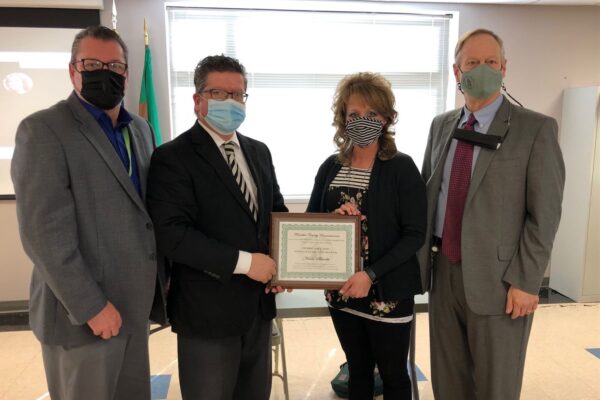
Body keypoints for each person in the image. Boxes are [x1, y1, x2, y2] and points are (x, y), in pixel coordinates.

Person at [11, 25, 167, 400]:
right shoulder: (43, 130)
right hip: (81, 316)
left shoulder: (141, 130)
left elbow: (142, 215)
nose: (106, 73)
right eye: (93, 63)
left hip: (133, 310)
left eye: (115, 66)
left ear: (127, 74)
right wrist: (92, 306)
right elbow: (43, 234)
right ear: (72, 71)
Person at [418, 28, 565, 400]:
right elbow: (428, 196)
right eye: (472, 62)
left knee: (495, 388)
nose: (482, 69)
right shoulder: (441, 127)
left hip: (502, 284)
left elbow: (544, 214)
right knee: (448, 383)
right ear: (456, 72)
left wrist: (527, 281)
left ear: (504, 68)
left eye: (491, 62)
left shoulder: (535, 129)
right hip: (444, 274)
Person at [146, 54, 288, 400]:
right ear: (198, 101)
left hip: (257, 311)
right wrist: (247, 263)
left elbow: (276, 214)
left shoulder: (259, 152)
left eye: (238, 95)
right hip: (207, 316)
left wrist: (284, 263)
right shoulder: (172, 157)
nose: (231, 102)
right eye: (219, 94)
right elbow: (172, 235)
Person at [307, 72, 427, 400]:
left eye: (371, 114)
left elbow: (414, 234)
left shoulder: (401, 167)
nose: (362, 121)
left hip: (387, 292)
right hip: (342, 291)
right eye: (354, 114)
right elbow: (311, 223)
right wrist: (333, 219)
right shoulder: (330, 167)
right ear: (342, 120)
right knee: (357, 371)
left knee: (393, 376)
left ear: (386, 118)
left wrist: (370, 275)